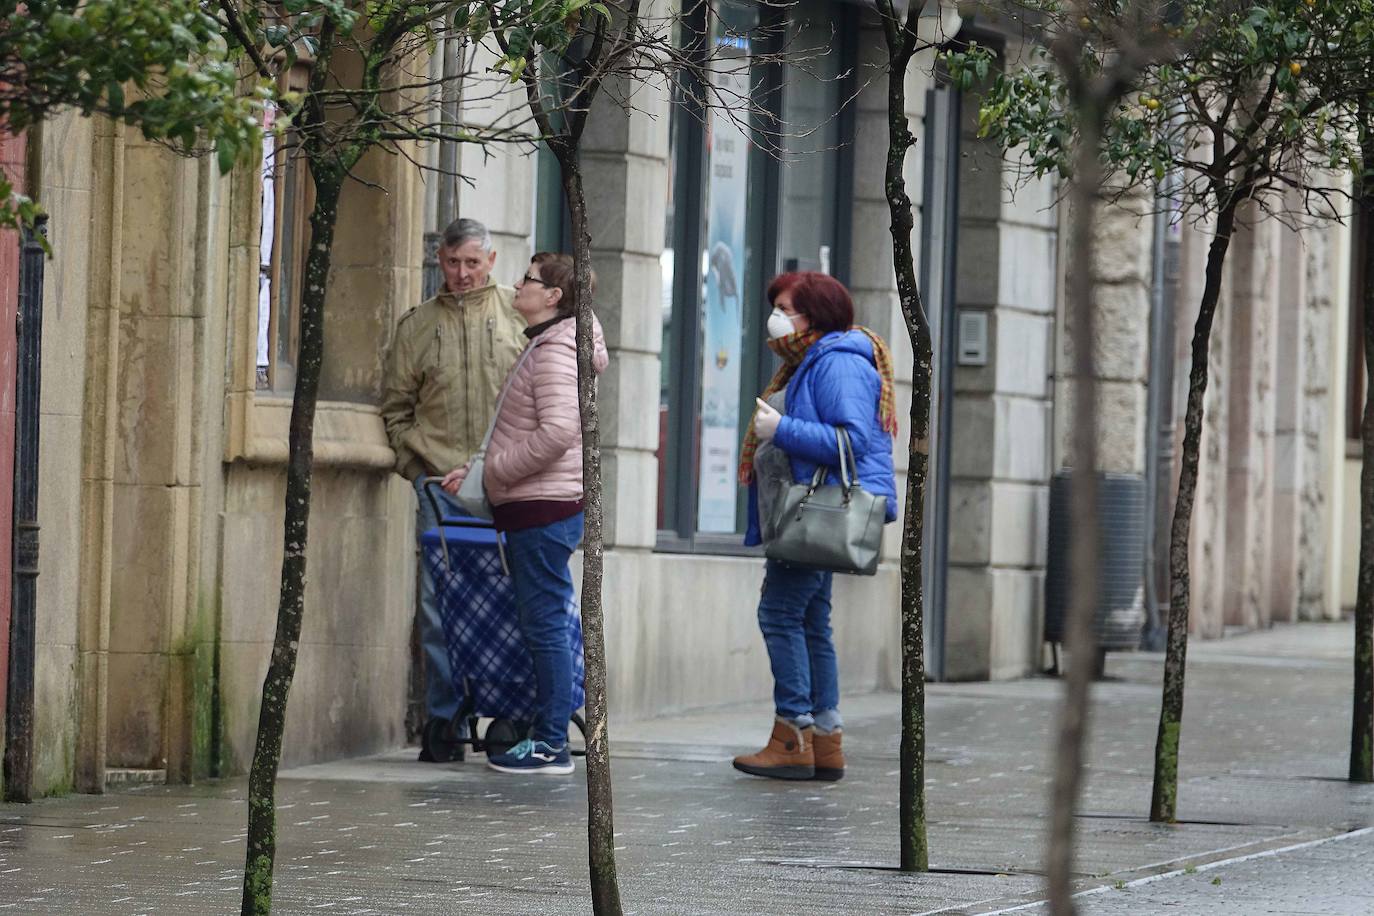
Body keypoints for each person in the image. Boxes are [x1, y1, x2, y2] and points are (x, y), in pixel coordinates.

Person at [442, 252, 608, 775]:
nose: (518, 285)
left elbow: (561, 432)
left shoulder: (555, 351)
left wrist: (495, 473)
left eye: (529, 280)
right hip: (538, 504)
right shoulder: (548, 344)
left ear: (554, 296)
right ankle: (547, 737)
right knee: (544, 624)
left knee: (545, 627)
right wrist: (479, 472)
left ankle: (551, 743)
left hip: (544, 508)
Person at [732, 271, 899, 782]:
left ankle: (793, 735)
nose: (776, 317)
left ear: (815, 316)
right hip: (812, 509)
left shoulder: (837, 363)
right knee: (810, 620)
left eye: (785, 307)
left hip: (813, 511)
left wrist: (780, 429)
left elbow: (852, 442)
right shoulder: (814, 360)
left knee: (779, 614)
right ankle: (825, 739)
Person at [381, 218, 527, 761]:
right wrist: (417, 470)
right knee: (440, 604)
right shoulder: (416, 326)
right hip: (439, 486)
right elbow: (395, 410)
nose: (462, 274)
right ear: (438, 262)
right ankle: (446, 717)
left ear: (491, 260)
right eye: (451, 263)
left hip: (510, 486)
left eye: (472, 263)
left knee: (512, 601)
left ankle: (509, 715)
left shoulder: (520, 315)